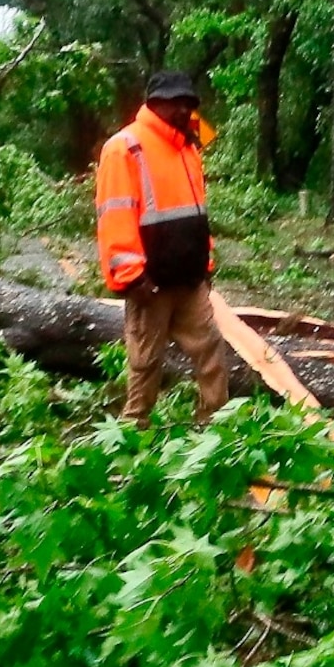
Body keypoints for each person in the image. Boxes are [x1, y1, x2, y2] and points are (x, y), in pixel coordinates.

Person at [95, 69, 235, 422]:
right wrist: (129, 276)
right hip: (150, 284)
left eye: (189, 103)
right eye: (177, 103)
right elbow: (114, 216)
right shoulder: (125, 147)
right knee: (145, 363)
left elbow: (198, 212)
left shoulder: (188, 147)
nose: (186, 110)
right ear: (155, 104)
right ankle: (133, 431)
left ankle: (216, 426)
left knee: (212, 352)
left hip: (189, 280)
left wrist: (206, 266)